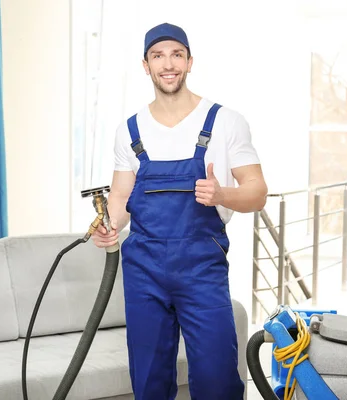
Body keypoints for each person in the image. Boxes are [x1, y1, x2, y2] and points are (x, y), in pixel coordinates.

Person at [92, 22, 268, 399]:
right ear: (146, 65)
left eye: (176, 55)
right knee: (149, 380)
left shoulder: (224, 121)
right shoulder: (130, 130)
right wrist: (109, 224)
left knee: (217, 377)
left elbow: (257, 193)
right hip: (143, 269)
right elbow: (121, 195)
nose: (167, 64)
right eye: (158, 56)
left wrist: (222, 194)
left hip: (201, 266)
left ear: (189, 62)